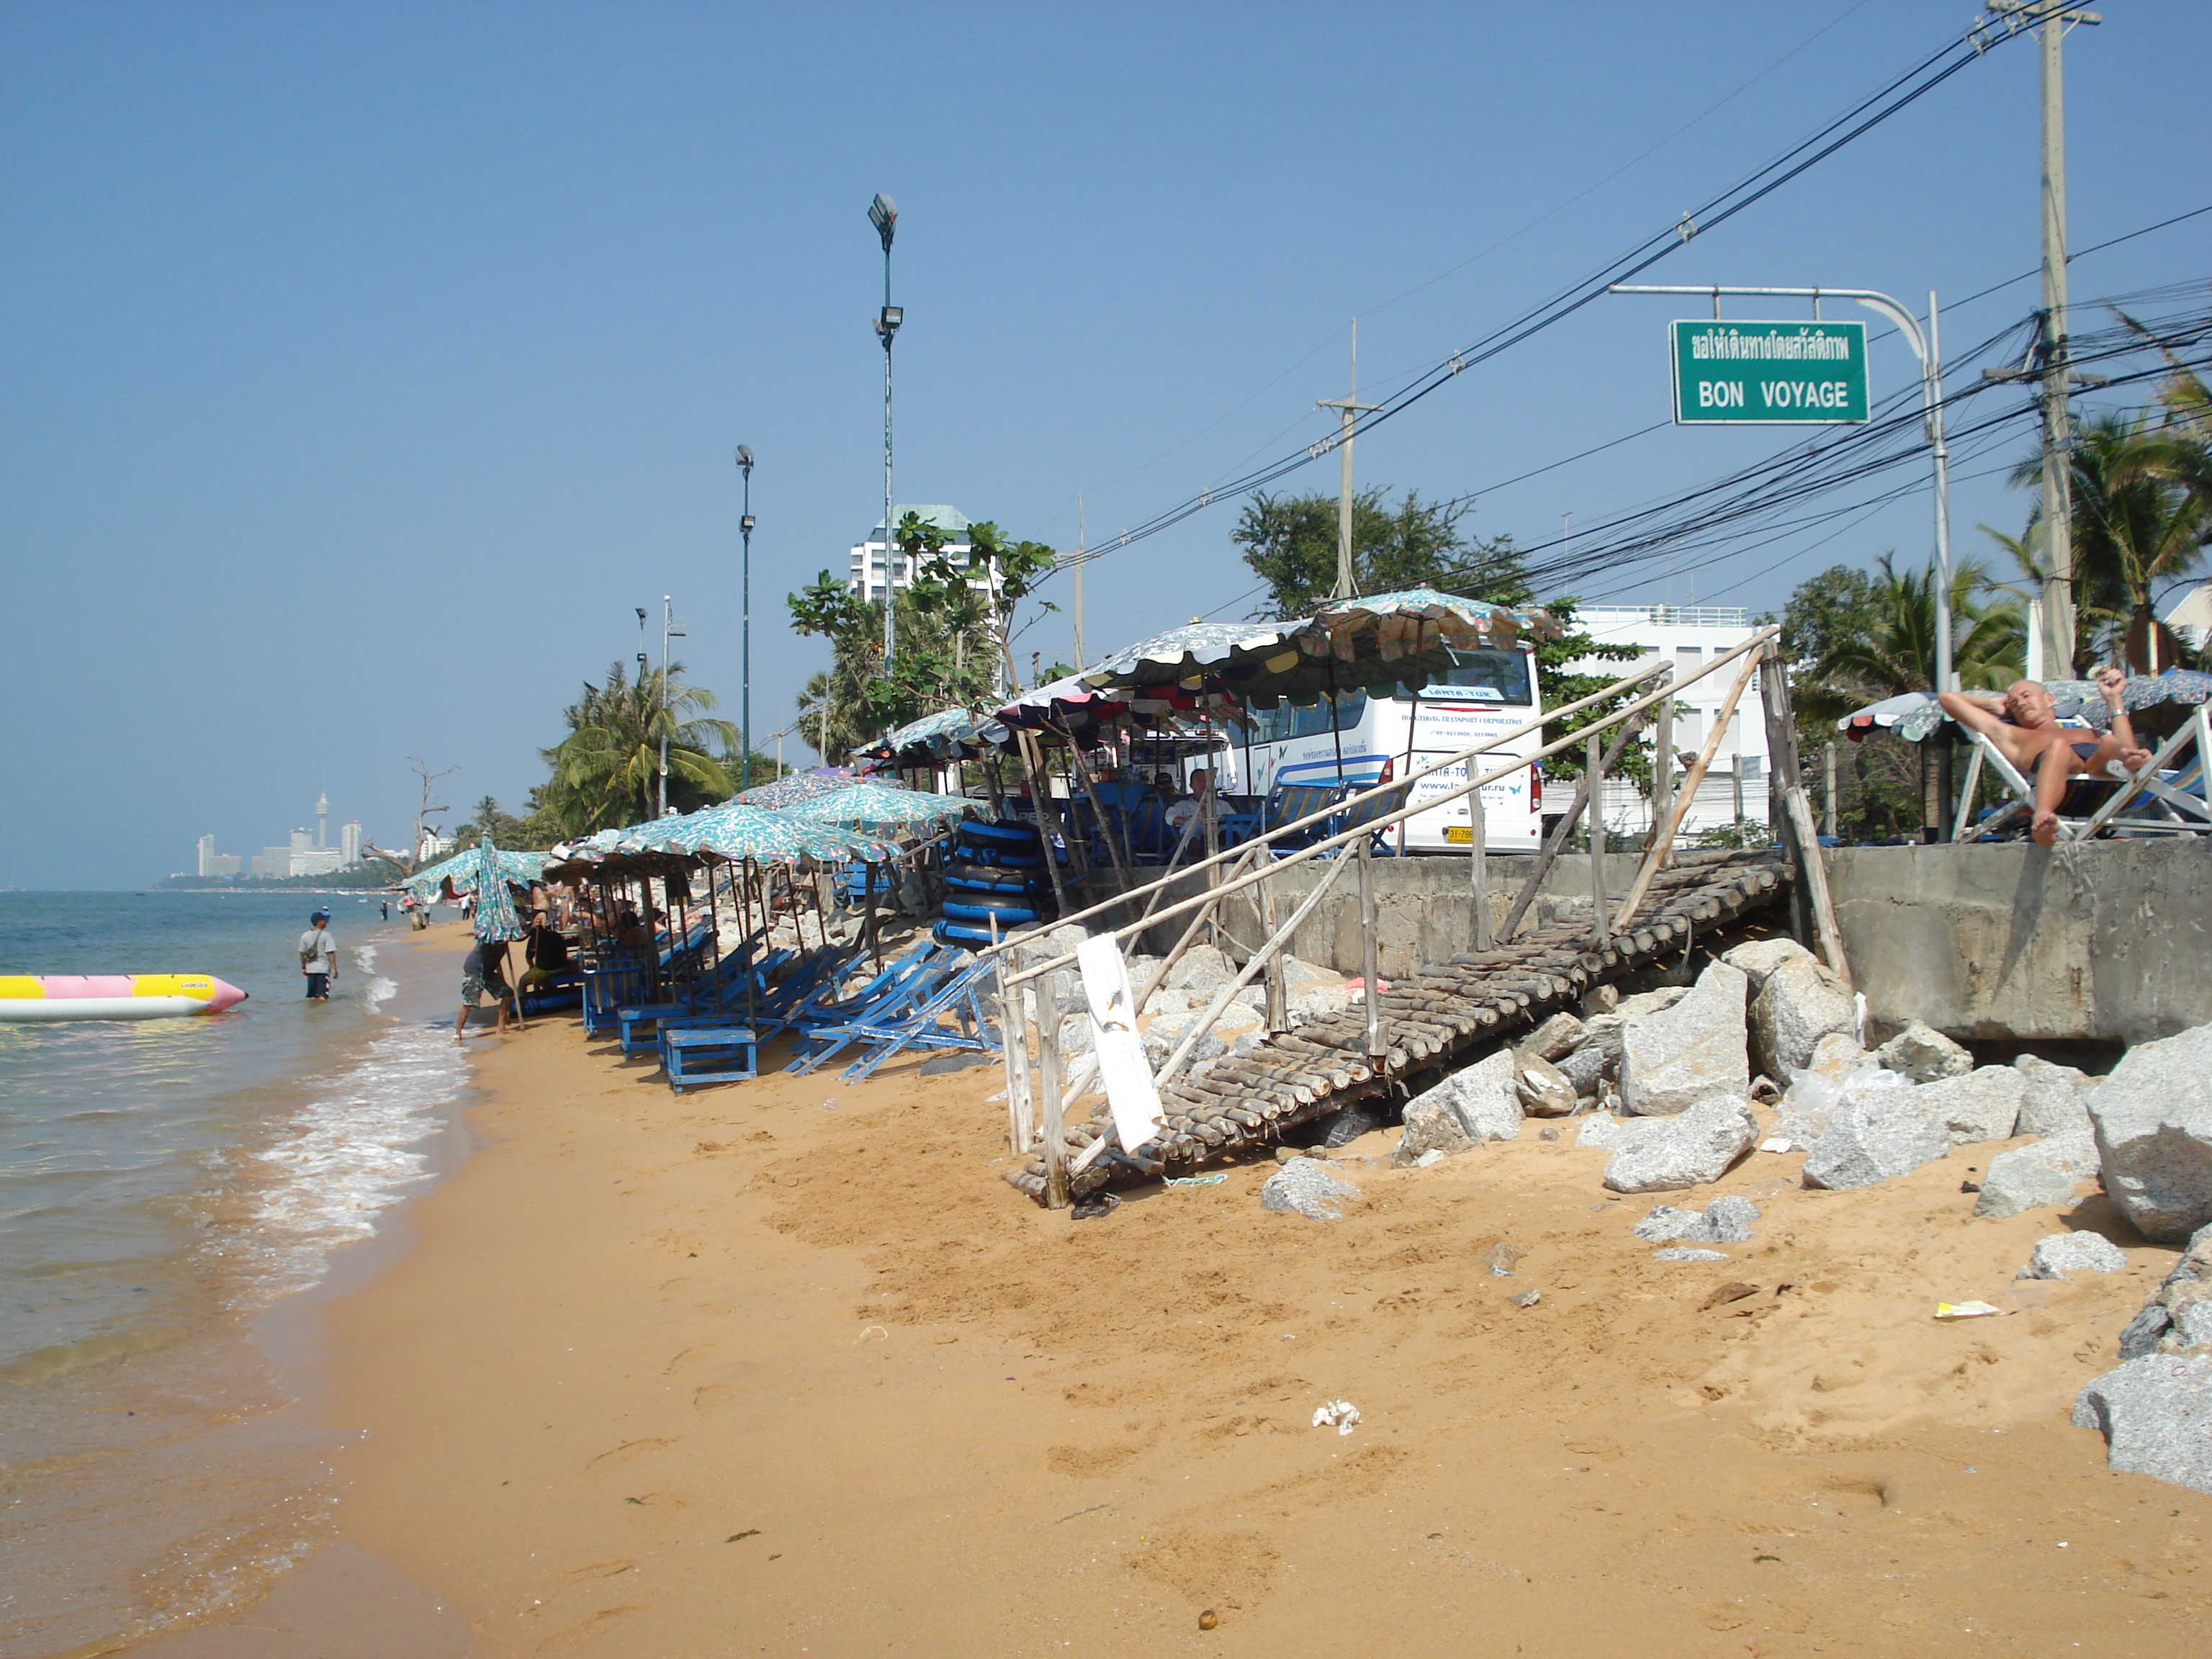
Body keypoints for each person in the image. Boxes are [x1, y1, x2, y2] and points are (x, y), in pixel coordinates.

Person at [1938, 665, 2150, 848]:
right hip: (2060, 773)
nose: (2019, 703)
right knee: (2058, 747)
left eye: (2026, 696)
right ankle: (2043, 817)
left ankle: (2133, 761)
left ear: (2049, 699)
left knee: (2111, 742)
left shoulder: (2084, 729)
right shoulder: (2012, 734)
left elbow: (2124, 745)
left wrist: (2114, 700)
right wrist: (1993, 704)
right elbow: (1948, 699)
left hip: (2103, 773)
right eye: (2013, 703)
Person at [455, 936, 516, 1041]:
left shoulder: (503, 944)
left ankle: (501, 1027)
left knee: (507, 993)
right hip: (475, 971)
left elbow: (497, 962)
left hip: (488, 972)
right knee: (469, 1003)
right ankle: (457, 1034)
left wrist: (502, 980)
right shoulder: (488, 939)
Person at [520, 909, 572, 992]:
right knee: (543, 980)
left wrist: (532, 968)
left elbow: (529, 958)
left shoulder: (535, 938)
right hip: (563, 968)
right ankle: (548, 992)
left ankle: (522, 1002)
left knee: (522, 982)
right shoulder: (556, 935)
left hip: (546, 971)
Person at [297, 909, 338, 1000]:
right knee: (323, 996)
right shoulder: (326, 936)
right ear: (320, 922)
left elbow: (302, 953)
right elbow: (330, 953)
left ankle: (312, 1013)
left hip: (311, 970)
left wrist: (303, 967)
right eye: (324, 920)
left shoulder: (305, 935)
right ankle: (322, 1013)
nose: (326, 922)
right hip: (322, 969)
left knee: (312, 997)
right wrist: (334, 969)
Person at [1165, 768, 1214, 832]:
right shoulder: (1183, 805)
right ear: (1191, 786)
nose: (1204, 783)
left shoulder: (1222, 804)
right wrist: (1187, 821)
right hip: (1192, 836)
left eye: (1206, 780)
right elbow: (1170, 816)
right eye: (1199, 780)